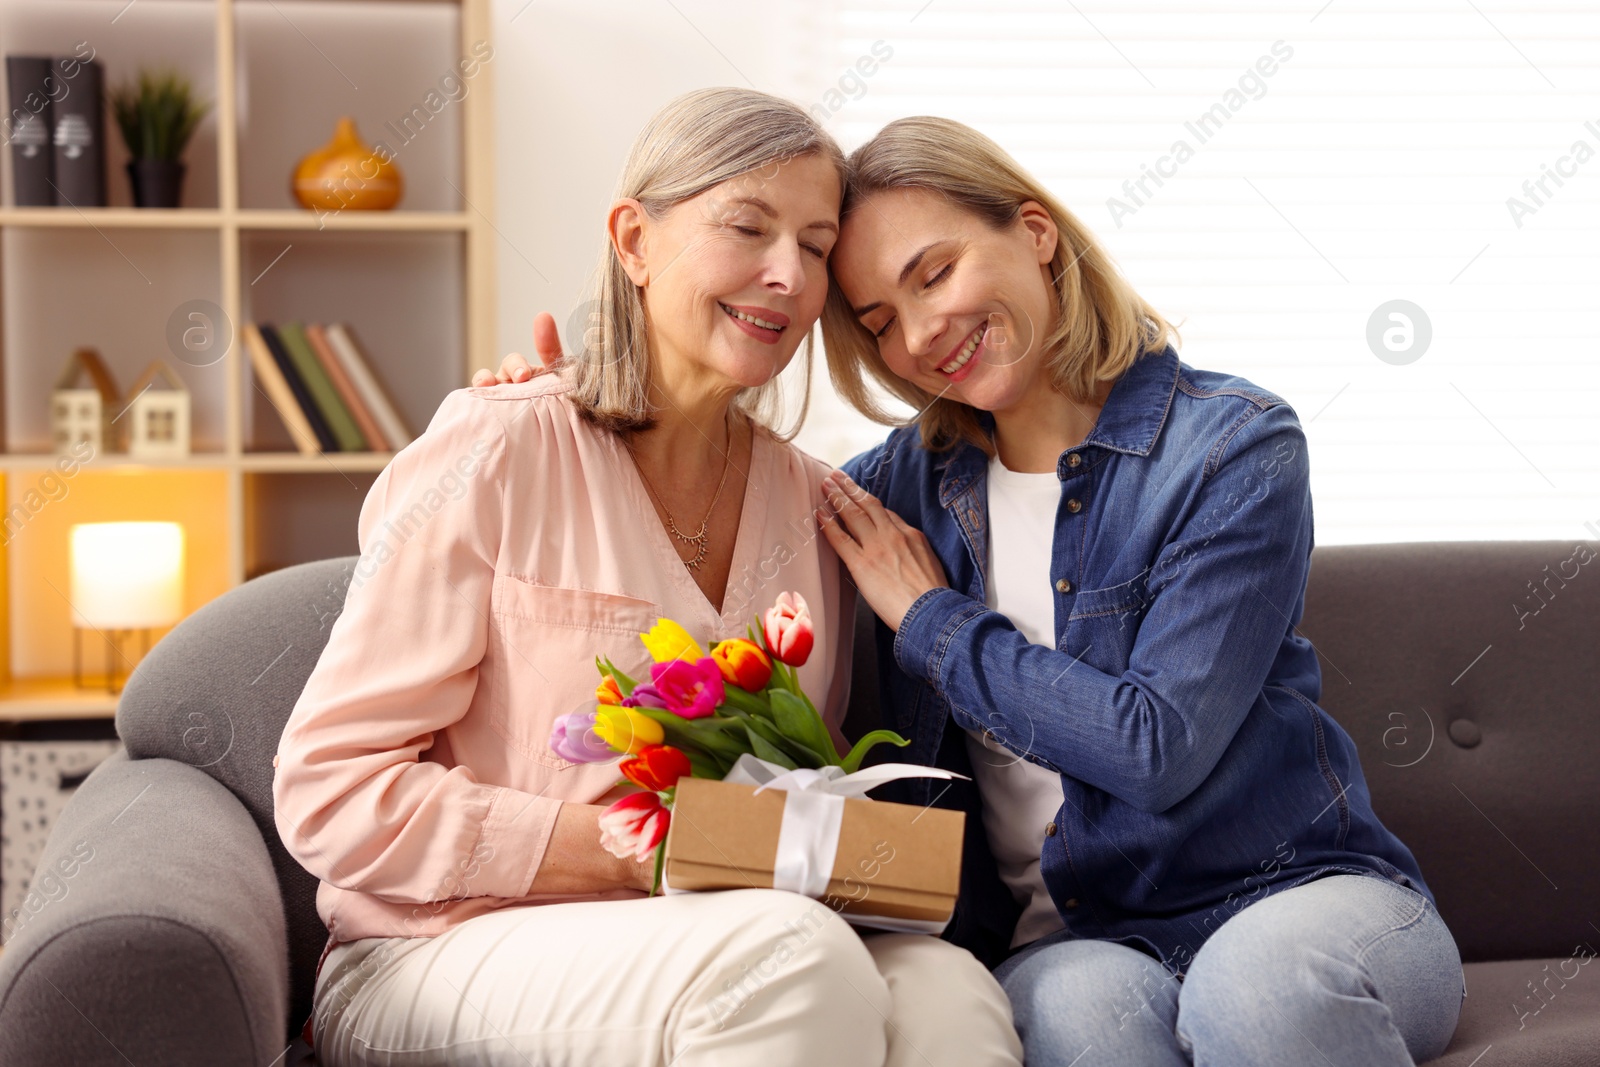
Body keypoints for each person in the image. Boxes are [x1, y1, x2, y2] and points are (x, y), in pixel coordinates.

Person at [480, 114, 1465, 1066]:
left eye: (935, 272)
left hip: (1296, 897)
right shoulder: (887, 491)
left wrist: (931, 618)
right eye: (879, 320)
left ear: (1033, 232)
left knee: (1258, 993)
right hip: (1073, 936)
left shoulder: (1230, 448)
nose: (921, 334)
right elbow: (712, 503)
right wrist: (575, 413)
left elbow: (1154, 747)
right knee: (1077, 1021)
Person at [274, 89, 1021, 1067]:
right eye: (746, 226)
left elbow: (803, 799)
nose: (784, 274)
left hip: (719, 936)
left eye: (813, 243)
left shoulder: (814, 506)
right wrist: (627, 846)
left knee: (947, 990)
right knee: (789, 956)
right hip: (432, 948)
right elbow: (329, 788)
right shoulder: (498, 448)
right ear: (633, 239)